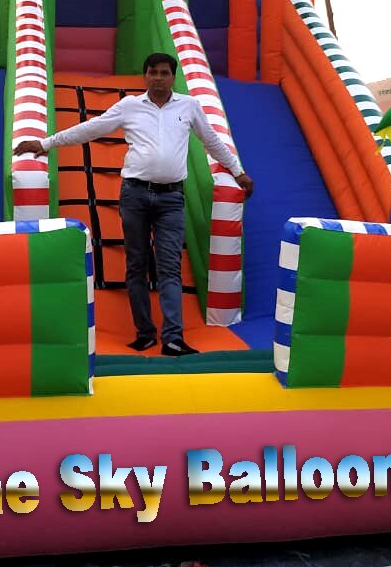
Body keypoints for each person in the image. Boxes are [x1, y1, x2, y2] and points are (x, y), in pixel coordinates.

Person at [14, 53, 253, 356]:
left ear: (173, 77)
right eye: (152, 72)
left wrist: (237, 171)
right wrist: (46, 144)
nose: (158, 78)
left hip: (171, 198)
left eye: (164, 73)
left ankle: (173, 338)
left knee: (169, 268)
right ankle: (145, 333)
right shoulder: (130, 106)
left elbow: (212, 141)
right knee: (136, 265)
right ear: (145, 76)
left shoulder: (188, 106)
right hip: (135, 195)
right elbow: (93, 128)